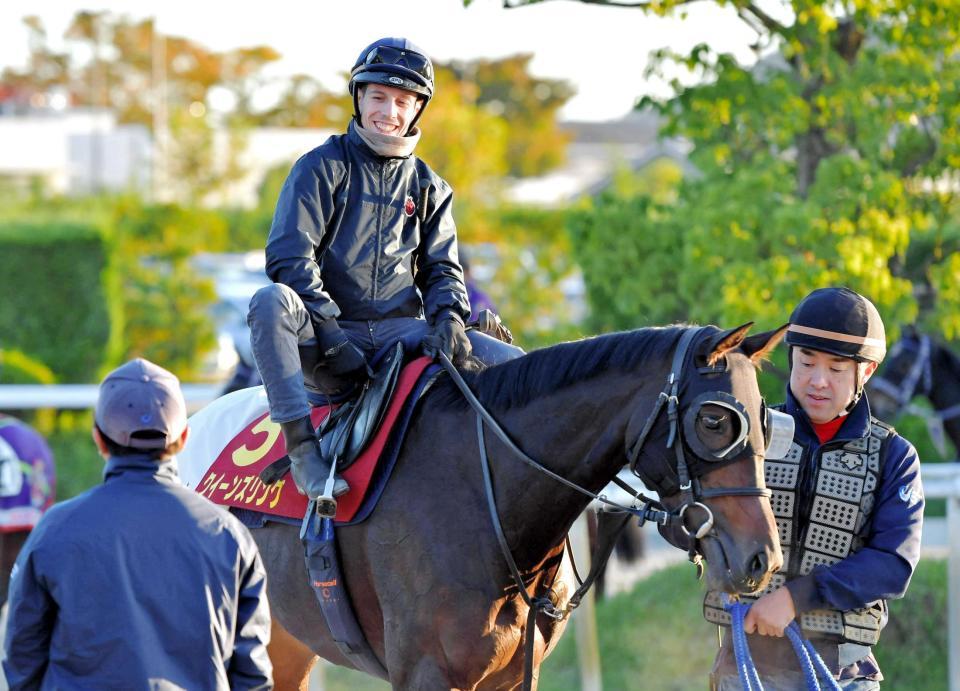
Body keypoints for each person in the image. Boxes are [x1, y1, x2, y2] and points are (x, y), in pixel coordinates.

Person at [247, 37, 520, 504]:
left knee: (518, 367)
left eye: (401, 101)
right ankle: (303, 454)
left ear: (417, 110)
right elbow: (289, 259)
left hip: (401, 335)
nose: (387, 112)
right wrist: (331, 333)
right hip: (326, 340)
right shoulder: (318, 168)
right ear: (358, 97)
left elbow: (442, 271)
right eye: (378, 97)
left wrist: (451, 319)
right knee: (269, 301)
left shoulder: (432, 187)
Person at [3, 358, 273, 690]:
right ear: (183, 436)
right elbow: (253, 673)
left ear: (99, 440)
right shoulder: (230, 536)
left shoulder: (55, 528)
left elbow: (22, 655)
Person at [705, 287, 924, 690]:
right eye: (806, 362)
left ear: (866, 372)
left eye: (837, 369)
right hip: (745, 667)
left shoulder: (895, 456)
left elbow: (893, 564)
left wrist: (793, 598)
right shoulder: (746, 437)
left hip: (842, 672)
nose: (818, 381)